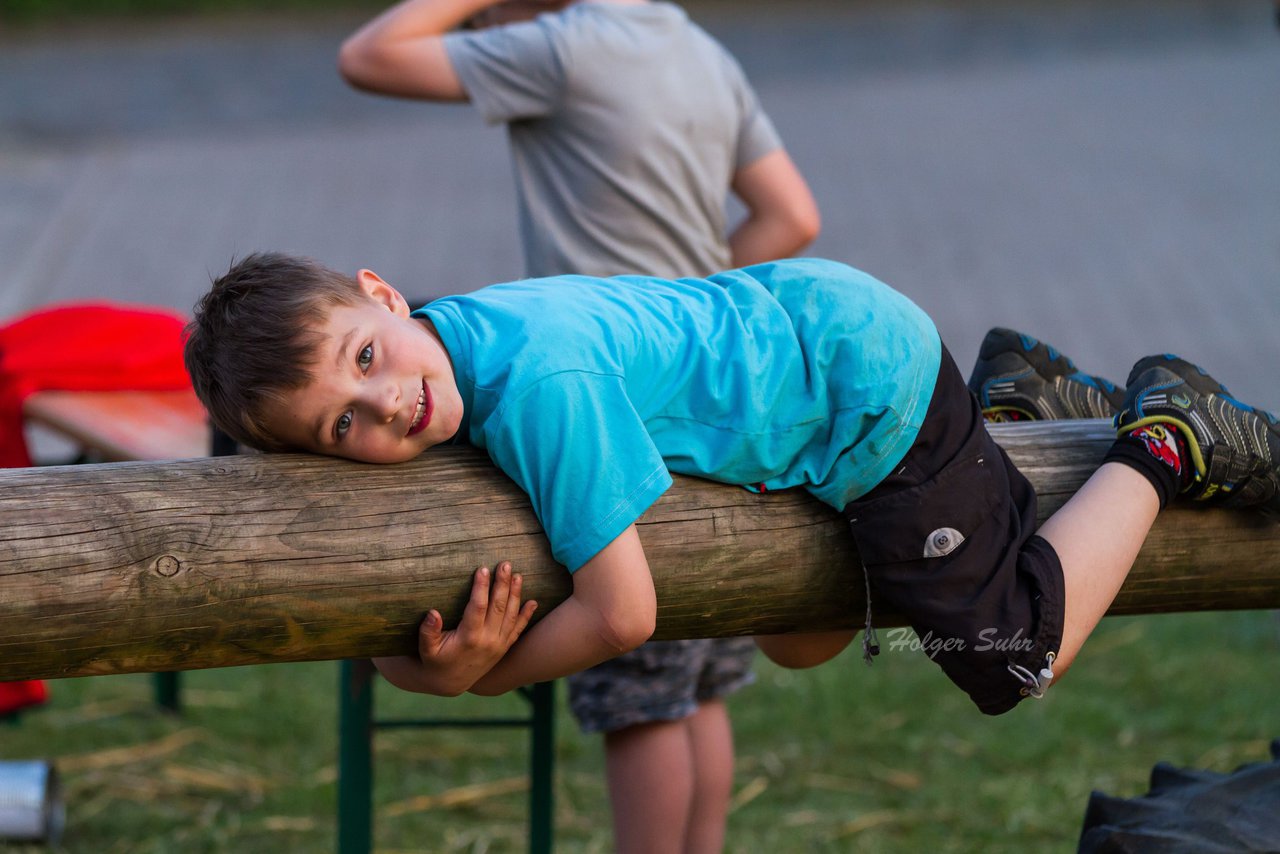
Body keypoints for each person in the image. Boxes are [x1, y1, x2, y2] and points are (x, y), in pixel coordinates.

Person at [184, 252, 1279, 729]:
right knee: (801, 638)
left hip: (863, 391)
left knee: (1004, 654)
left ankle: (1165, 438)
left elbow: (626, 611)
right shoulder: (454, 335)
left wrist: (472, 679)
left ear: (381, 291)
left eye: (367, 360)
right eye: (346, 425)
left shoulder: (537, 383)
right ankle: (1014, 409)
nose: (390, 411)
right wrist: (405, 659)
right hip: (809, 332)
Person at [337, 1, 820, 849]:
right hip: (720, 405)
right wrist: (692, 310)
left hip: (599, 414)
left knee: (639, 705)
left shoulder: (562, 48)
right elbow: (792, 219)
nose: (481, 38)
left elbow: (370, 56)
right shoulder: (696, 47)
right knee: (699, 683)